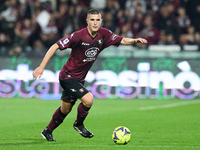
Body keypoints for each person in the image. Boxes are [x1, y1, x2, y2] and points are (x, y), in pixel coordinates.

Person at [32, 9, 147, 142]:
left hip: (79, 79)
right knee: (89, 100)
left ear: (101, 21)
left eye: (97, 20)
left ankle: (47, 131)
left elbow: (122, 40)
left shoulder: (104, 34)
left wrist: (135, 40)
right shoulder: (78, 36)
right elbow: (55, 46)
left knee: (66, 109)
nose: (95, 22)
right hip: (67, 76)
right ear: (87, 21)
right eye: (92, 20)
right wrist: (41, 67)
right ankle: (78, 124)